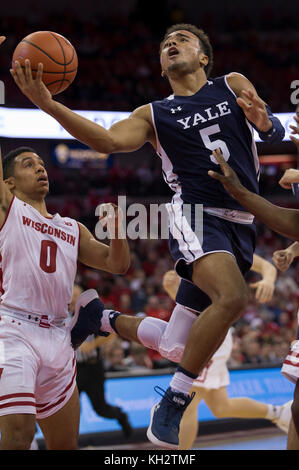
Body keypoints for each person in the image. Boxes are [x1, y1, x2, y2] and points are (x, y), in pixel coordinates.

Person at [10, 23, 285, 448]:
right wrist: (48, 104)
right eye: (164, 44)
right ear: (160, 67)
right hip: (194, 212)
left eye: (182, 39)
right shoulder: (153, 113)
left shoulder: (232, 84)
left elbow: (274, 132)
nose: (171, 44)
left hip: (242, 219)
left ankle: (101, 318)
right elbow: (106, 141)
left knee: (177, 345)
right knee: (232, 296)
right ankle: (174, 398)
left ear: (205, 56)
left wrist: (268, 127)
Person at [0, 144, 130, 449]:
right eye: (28, 165)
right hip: (13, 331)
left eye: (41, 164)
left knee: (65, 445)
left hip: (58, 336)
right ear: (9, 183)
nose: (40, 168)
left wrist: (116, 230)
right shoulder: (9, 210)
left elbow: (117, 264)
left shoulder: (72, 227)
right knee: (20, 437)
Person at [204, 116, 299, 449]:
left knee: (189, 404)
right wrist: (291, 251)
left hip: (207, 332)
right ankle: (278, 411)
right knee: (295, 412)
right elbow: (291, 222)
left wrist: (239, 191)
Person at [161, 266, 292, 450]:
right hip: (212, 332)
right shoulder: (209, 254)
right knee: (220, 406)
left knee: (187, 402)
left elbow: (205, 306)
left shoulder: (217, 255)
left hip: (211, 333)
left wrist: (173, 290)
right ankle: (279, 412)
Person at [71, 284, 132, 439]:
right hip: (72, 369)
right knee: (70, 410)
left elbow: (112, 333)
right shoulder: (60, 314)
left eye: (76, 294)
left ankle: (120, 416)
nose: (72, 297)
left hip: (93, 368)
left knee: (101, 409)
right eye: (70, 294)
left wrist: (92, 344)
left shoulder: (90, 313)